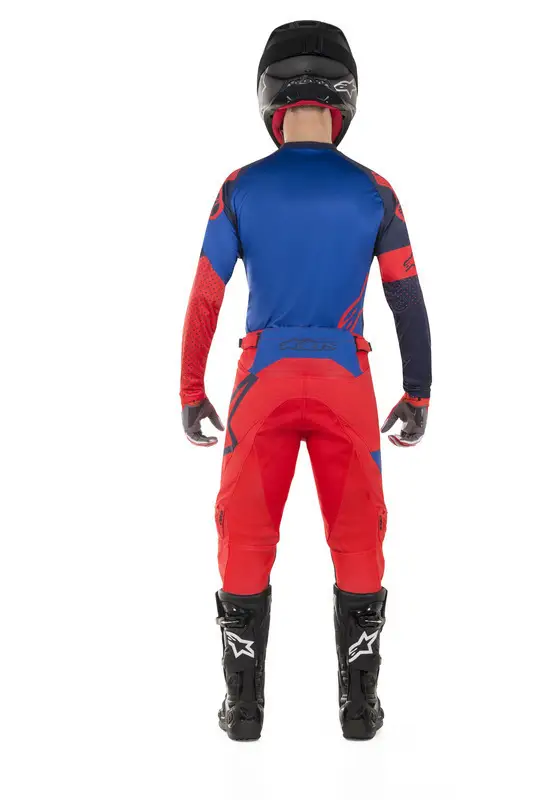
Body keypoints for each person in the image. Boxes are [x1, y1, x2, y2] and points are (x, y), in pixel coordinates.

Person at [180, 20, 431, 741]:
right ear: (345, 99)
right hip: (346, 377)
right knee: (358, 535)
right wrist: (418, 391)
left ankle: (244, 711)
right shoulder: (375, 192)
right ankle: (359, 710)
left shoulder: (239, 188)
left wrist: (190, 389)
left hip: (261, 378)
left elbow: (206, 296)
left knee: (244, 535)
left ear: (270, 98)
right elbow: (406, 299)